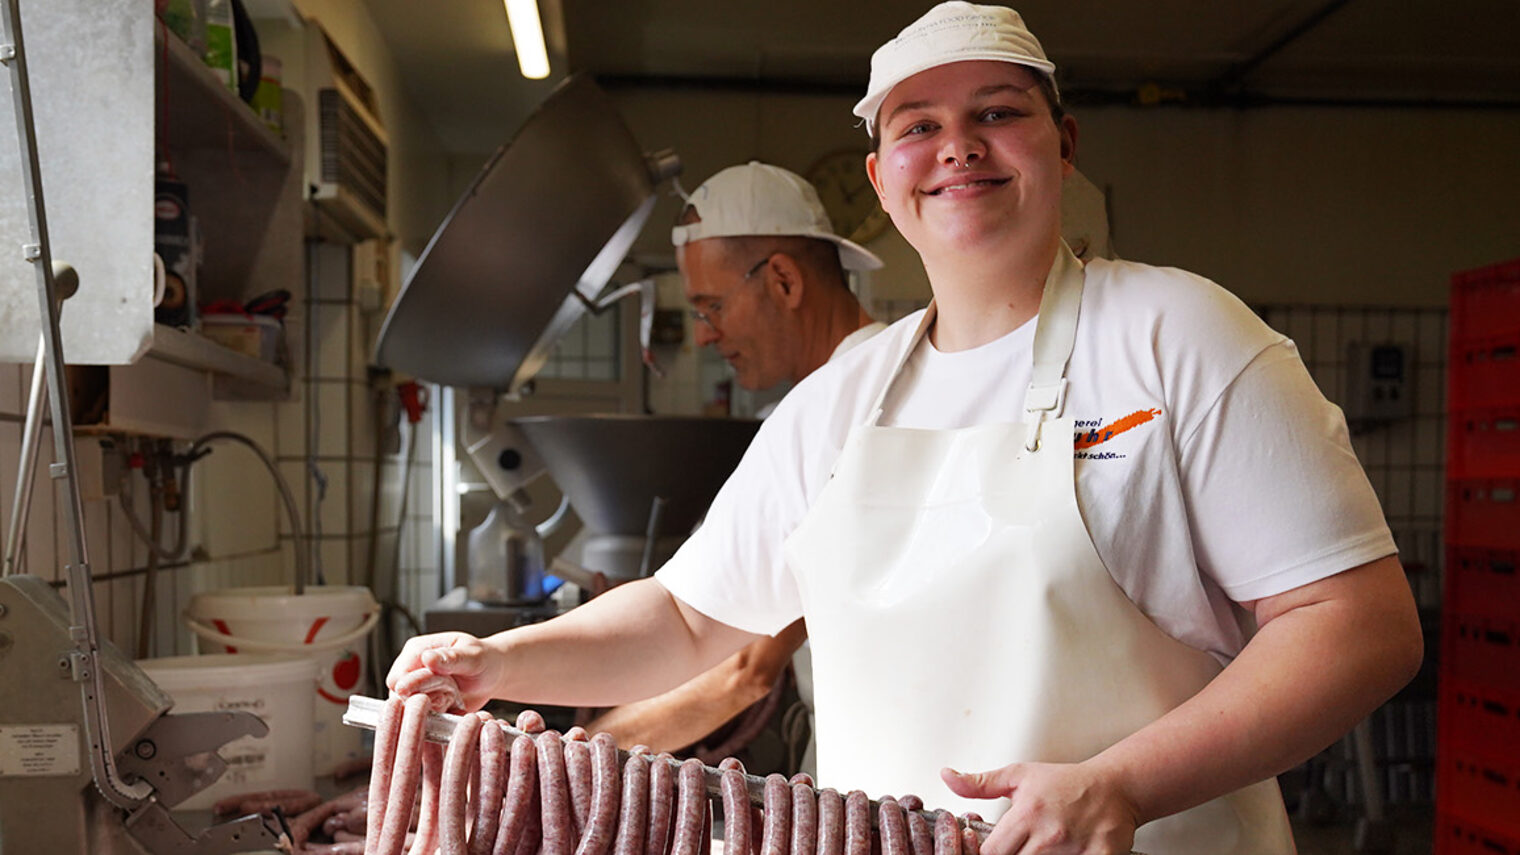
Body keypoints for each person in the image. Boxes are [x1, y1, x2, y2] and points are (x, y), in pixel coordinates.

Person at [389, 4, 1423, 853]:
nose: (957, 148)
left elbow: (1357, 626)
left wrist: (1119, 788)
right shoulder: (843, 396)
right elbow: (693, 620)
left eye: (998, 112)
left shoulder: (1177, 334)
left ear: (1061, 147)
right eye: (915, 126)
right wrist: (496, 663)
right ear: (881, 179)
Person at [584, 161, 885, 770]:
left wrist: (541, 766)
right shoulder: (809, 405)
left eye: (711, 306)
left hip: (891, 781)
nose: (702, 336)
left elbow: (740, 667)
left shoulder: (868, 406)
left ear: (783, 281)